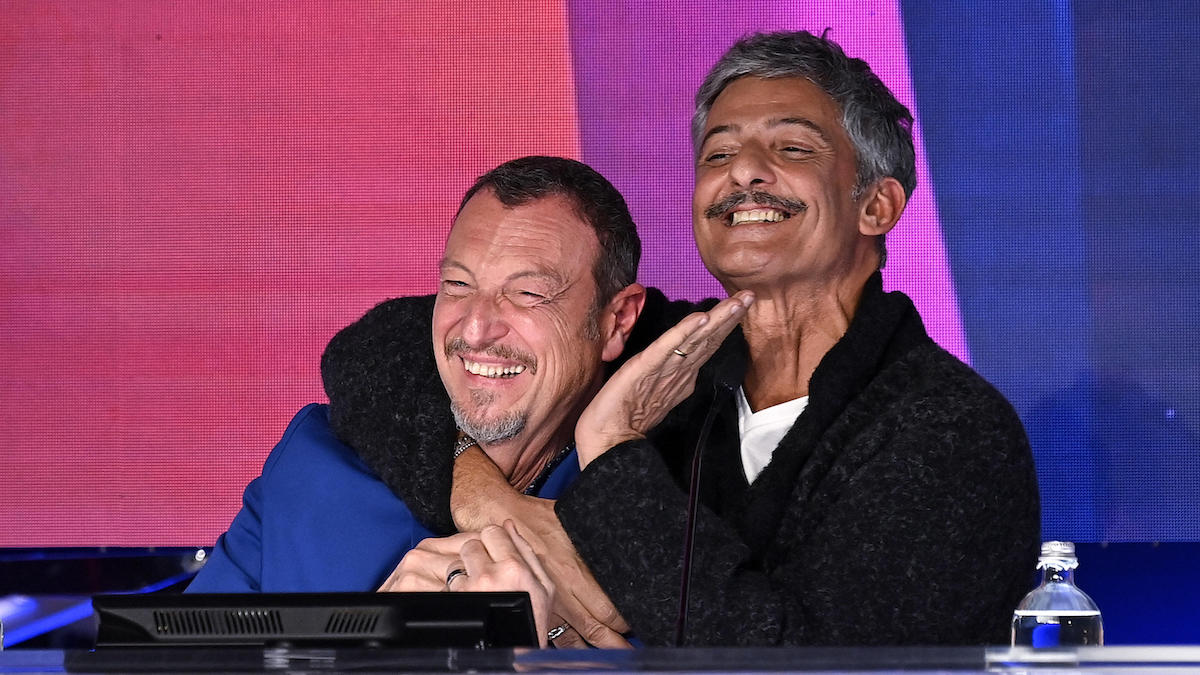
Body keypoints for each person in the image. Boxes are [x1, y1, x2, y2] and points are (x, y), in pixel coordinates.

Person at [330, 31, 1041, 646]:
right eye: (717, 153)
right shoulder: (674, 349)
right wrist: (488, 498)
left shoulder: (950, 429)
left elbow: (795, 658)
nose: (743, 172)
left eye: (791, 146)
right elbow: (378, 350)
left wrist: (611, 455)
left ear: (878, 204)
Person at [186, 155, 752, 646]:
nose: (476, 329)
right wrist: (361, 641)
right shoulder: (315, 460)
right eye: (457, 286)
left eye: (528, 293)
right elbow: (175, 657)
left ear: (616, 319)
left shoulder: (670, 492)